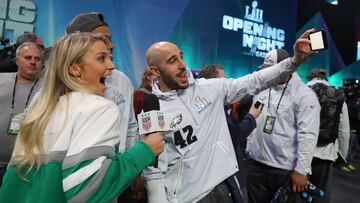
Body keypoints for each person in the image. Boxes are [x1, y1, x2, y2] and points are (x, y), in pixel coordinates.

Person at [143, 29, 317, 203]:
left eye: (181, 56)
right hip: (188, 197)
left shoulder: (210, 88)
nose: (182, 64)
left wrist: (295, 61)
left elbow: (255, 80)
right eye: (173, 61)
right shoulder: (152, 112)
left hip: (224, 187)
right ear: (155, 71)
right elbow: (153, 172)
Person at [0, 33, 165, 203]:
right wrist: (145, 150)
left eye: (109, 57)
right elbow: (87, 189)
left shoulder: (40, 106)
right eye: (102, 58)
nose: (112, 65)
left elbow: (12, 185)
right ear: (75, 69)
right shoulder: (99, 108)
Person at [245, 49, 321, 203]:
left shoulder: (305, 95)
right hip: (256, 165)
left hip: (284, 170)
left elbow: (308, 135)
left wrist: (301, 170)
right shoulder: (262, 88)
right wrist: (249, 149)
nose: (268, 74)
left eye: (272, 70)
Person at [66, 12, 138, 153]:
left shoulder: (122, 80)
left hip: (120, 168)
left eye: (110, 39)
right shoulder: (55, 91)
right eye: (104, 40)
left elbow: (130, 127)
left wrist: (132, 166)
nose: (111, 46)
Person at [0, 42, 44, 186]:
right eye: (28, 57)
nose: (33, 62)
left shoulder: (50, 88)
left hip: (27, 167)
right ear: (17, 60)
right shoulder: (1, 80)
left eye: (37, 59)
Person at [307, 68, 350, 202]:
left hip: (299, 152)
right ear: (326, 79)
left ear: (310, 78)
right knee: (320, 193)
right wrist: (341, 155)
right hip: (325, 153)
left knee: (297, 191)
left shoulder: (301, 91)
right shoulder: (337, 95)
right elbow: (344, 130)